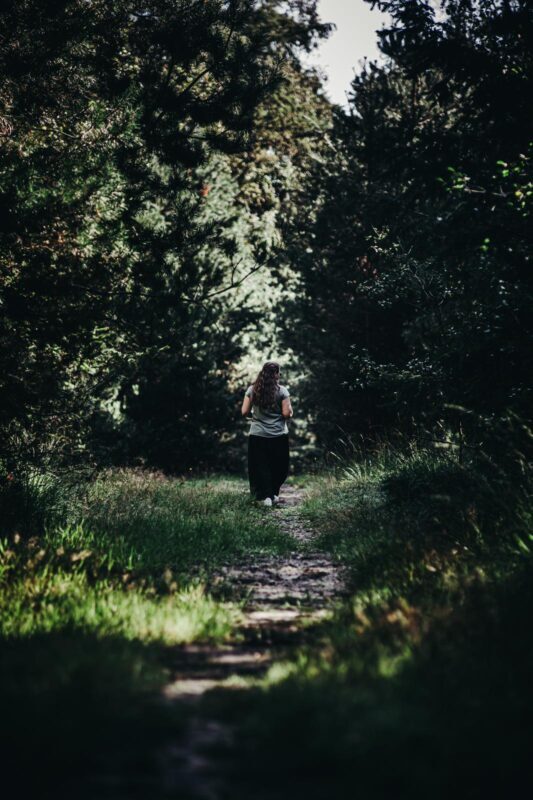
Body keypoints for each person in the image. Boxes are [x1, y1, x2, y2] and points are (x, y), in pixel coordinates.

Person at [241, 361, 293, 507]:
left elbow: (244, 412)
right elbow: (286, 414)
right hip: (278, 436)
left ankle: (266, 497)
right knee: (278, 466)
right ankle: (273, 494)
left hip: (257, 435)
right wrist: (291, 411)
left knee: (260, 466)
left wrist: (255, 417)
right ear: (275, 374)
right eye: (279, 372)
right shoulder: (282, 391)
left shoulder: (252, 390)